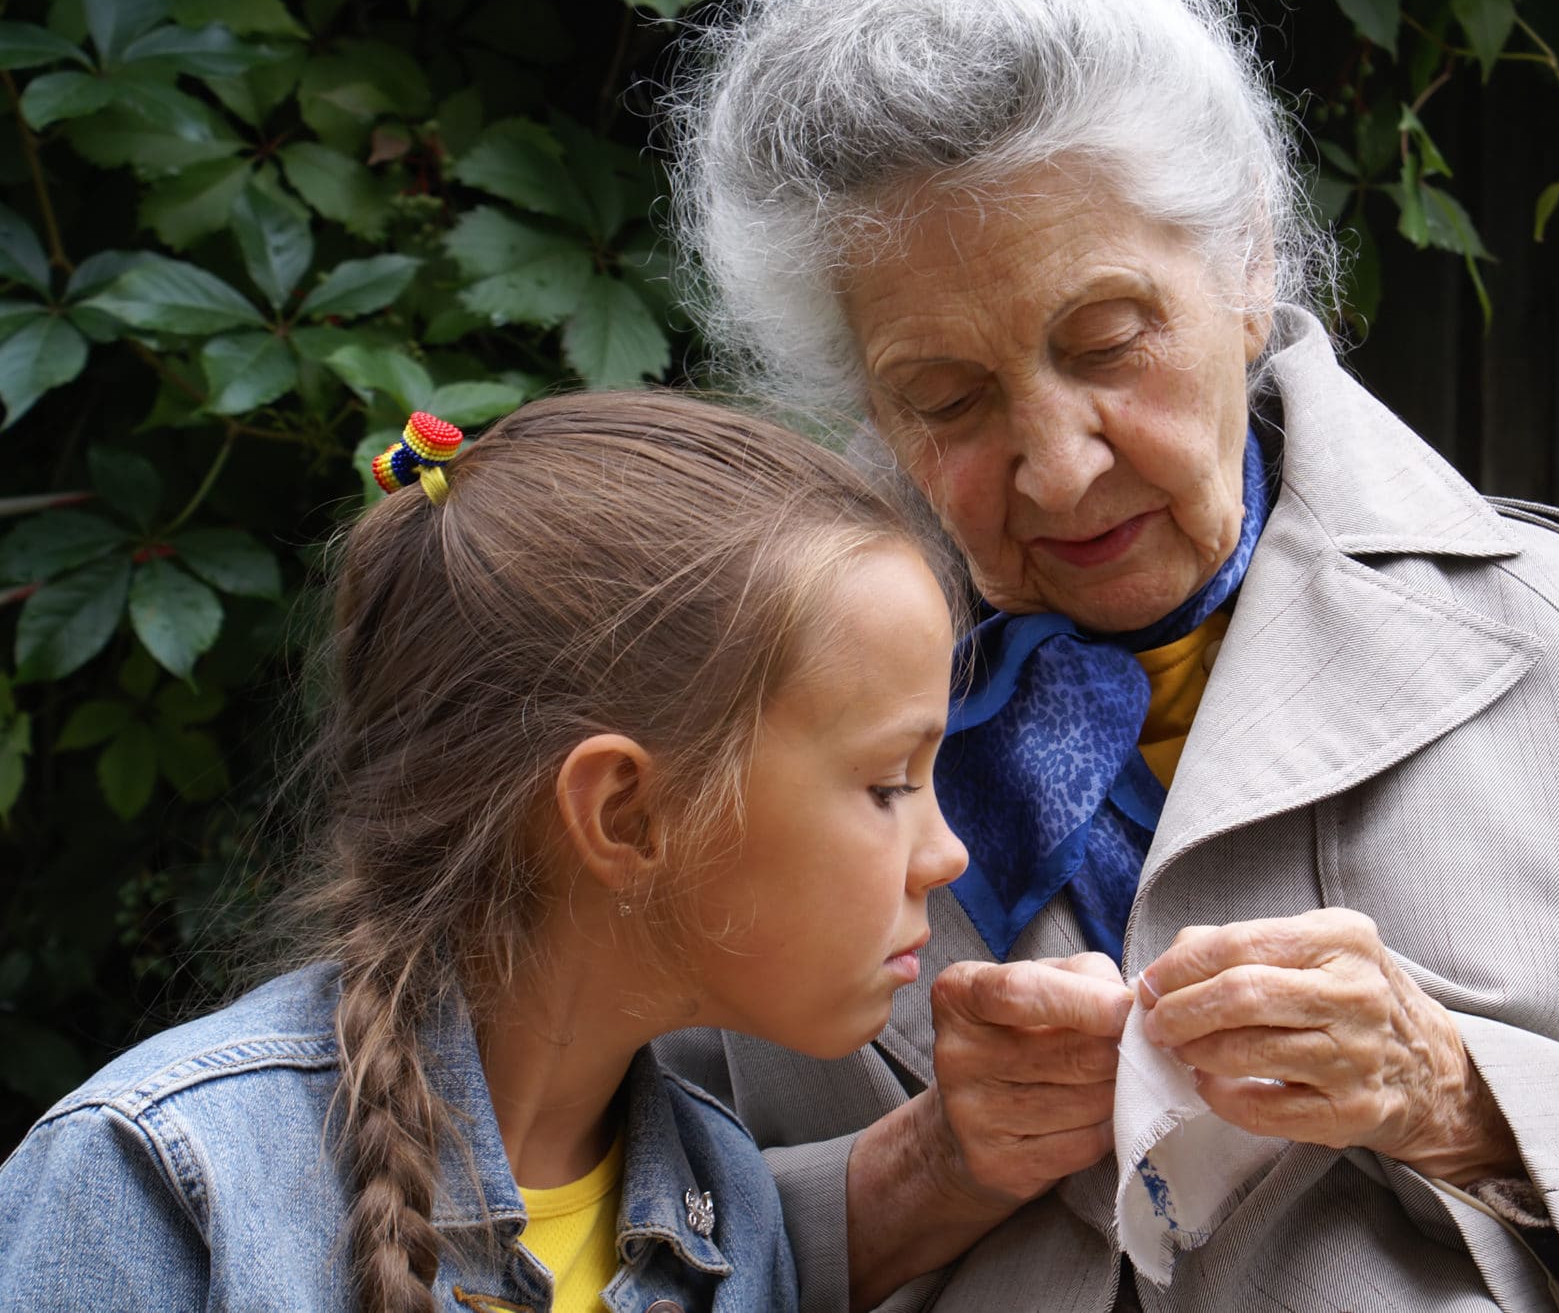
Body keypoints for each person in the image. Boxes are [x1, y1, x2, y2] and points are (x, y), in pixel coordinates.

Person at [658, 0, 1559, 1310]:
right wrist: (933, 1168)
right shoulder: (740, 736)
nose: (1057, 465)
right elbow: (584, 1223)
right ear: (862, 393)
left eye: (1107, 344)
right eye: (948, 399)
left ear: (1250, 258)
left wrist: (1454, 1090)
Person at [0, 394, 969, 1312]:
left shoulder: (726, 1207)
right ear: (624, 814)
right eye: (889, 782)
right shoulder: (159, 1179)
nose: (946, 854)